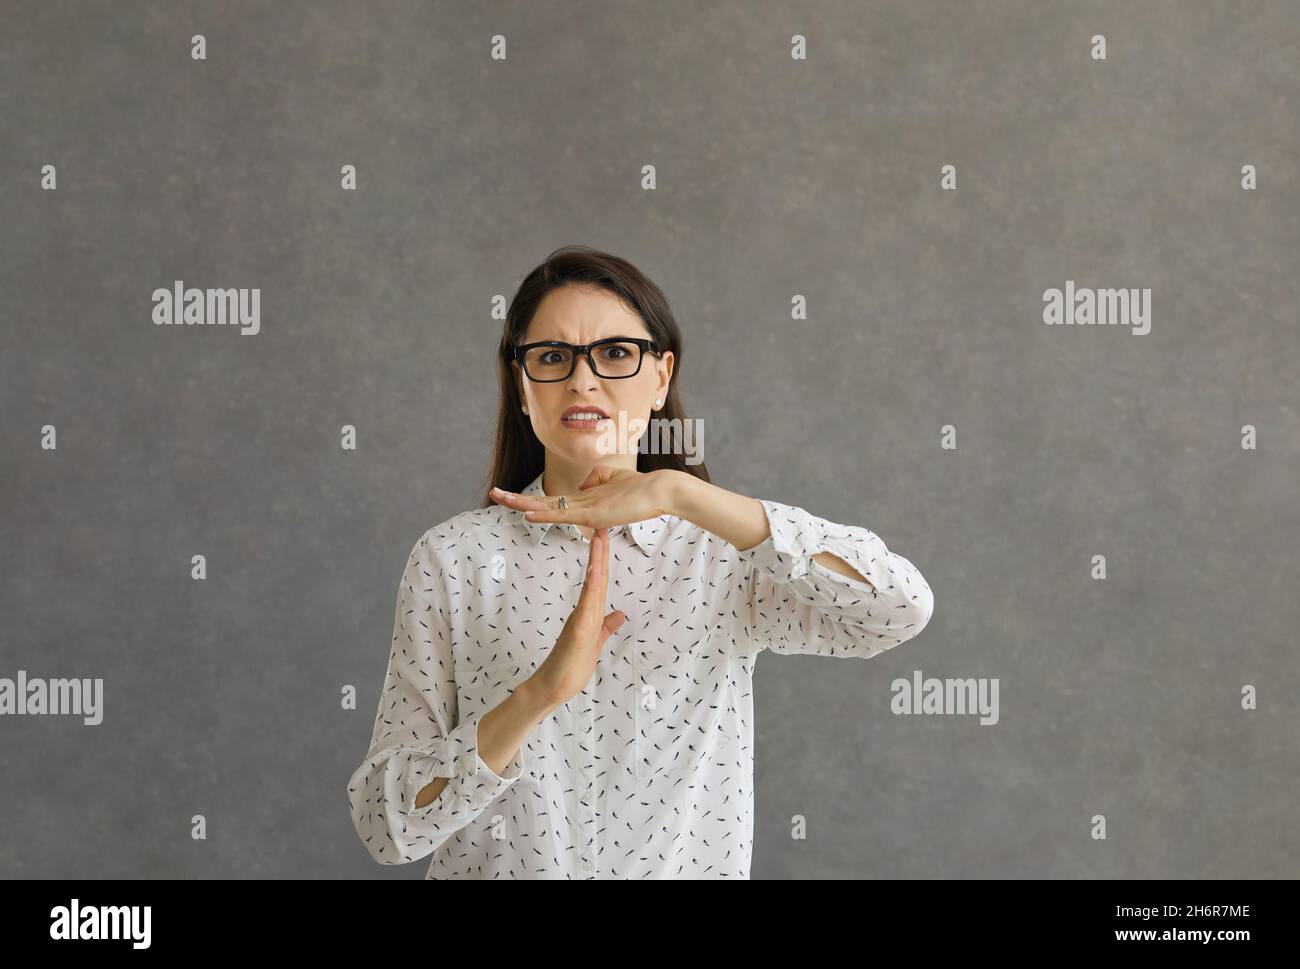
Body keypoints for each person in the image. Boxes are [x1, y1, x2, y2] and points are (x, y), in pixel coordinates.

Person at [347, 245, 934, 878]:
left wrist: (681, 493)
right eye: (551, 357)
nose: (583, 380)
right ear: (522, 384)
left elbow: (896, 608)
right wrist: (538, 695)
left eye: (616, 353)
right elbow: (388, 825)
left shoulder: (721, 554)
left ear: (661, 378)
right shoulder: (455, 560)